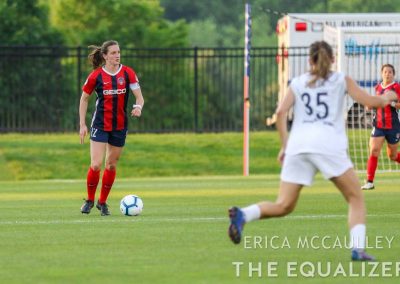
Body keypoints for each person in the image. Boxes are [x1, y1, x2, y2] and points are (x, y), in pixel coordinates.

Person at [228, 41, 397, 261]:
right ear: (333, 59)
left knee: (284, 205)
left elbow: (280, 114)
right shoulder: (340, 80)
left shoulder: (298, 82)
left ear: (310, 60)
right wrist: (388, 97)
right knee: (356, 197)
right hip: (328, 145)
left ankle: (244, 214)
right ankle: (358, 249)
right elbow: (372, 101)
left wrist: (285, 146)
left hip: (299, 146)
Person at [79, 40, 144, 216]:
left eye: (118, 52)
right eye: (113, 53)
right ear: (105, 56)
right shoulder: (96, 76)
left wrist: (138, 107)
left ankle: (102, 202)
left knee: (111, 165)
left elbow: (139, 97)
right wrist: (82, 124)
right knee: (96, 164)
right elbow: (84, 99)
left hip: (120, 126)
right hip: (100, 124)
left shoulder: (128, 73)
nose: (117, 55)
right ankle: (90, 200)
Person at [361, 64, 400, 190]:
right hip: (378, 124)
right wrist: (370, 105)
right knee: (374, 150)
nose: (387, 74)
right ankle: (369, 181)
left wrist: (392, 103)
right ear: (381, 73)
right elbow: (375, 103)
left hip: (393, 125)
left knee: (392, 156)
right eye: (385, 72)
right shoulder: (377, 87)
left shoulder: (396, 87)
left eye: (390, 72)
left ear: (393, 74)